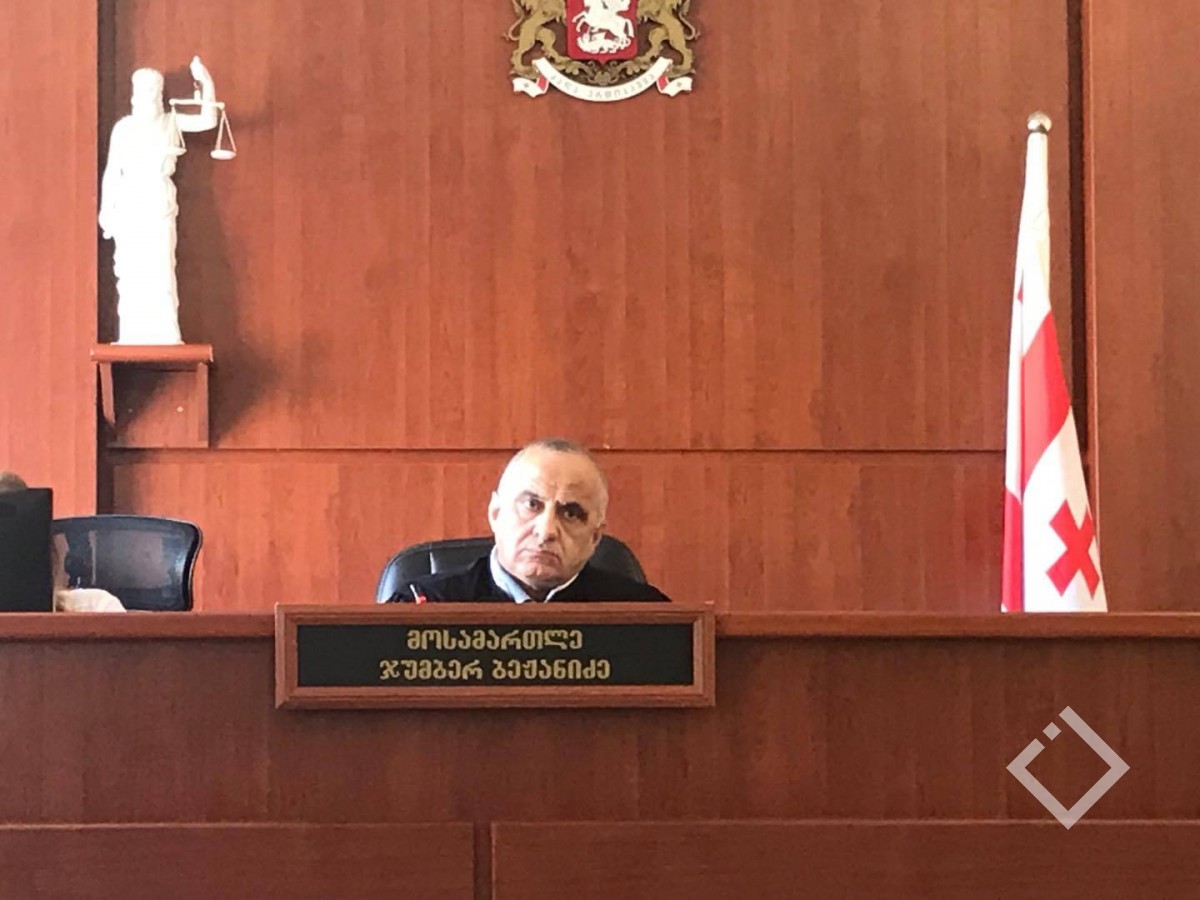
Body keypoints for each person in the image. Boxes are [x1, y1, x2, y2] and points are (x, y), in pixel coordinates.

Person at [391, 438, 670, 603]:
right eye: (531, 505)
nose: (546, 531)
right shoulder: (423, 606)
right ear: (496, 514)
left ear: (595, 537)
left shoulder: (646, 616)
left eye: (570, 513)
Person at [98, 57, 218, 345]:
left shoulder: (170, 122)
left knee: (162, 268)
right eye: (143, 90)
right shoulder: (124, 129)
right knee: (131, 272)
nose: (148, 95)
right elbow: (113, 171)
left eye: (154, 89)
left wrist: (206, 82)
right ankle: (132, 331)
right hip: (131, 206)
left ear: (160, 94)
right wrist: (106, 210)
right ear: (134, 94)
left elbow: (209, 119)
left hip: (159, 202)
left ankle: (165, 330)